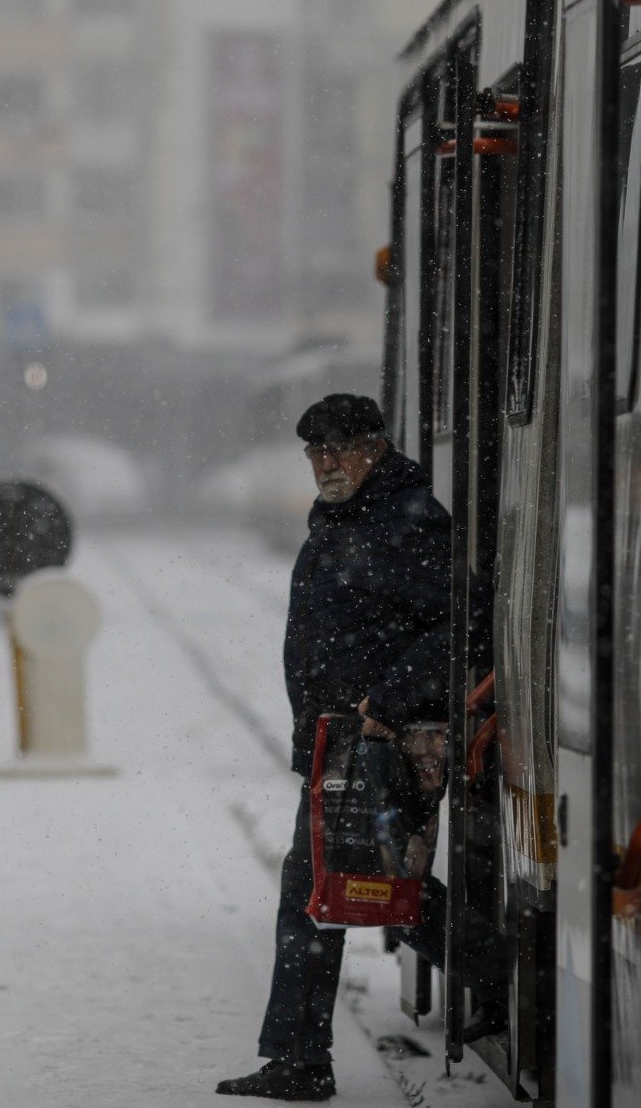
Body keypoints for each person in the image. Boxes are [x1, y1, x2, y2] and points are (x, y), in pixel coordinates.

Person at [217, 394, 451, 1102]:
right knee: (339, 888)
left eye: (338, 448)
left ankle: (302, 1057)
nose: (324, 463)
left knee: (330, 892)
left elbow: (458, 626)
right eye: (314, 452)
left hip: (383, 742)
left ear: (375, 446)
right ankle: (301, 1056)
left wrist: (389, 701)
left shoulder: (409, 522)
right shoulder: (344, 519)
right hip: (339, 742)